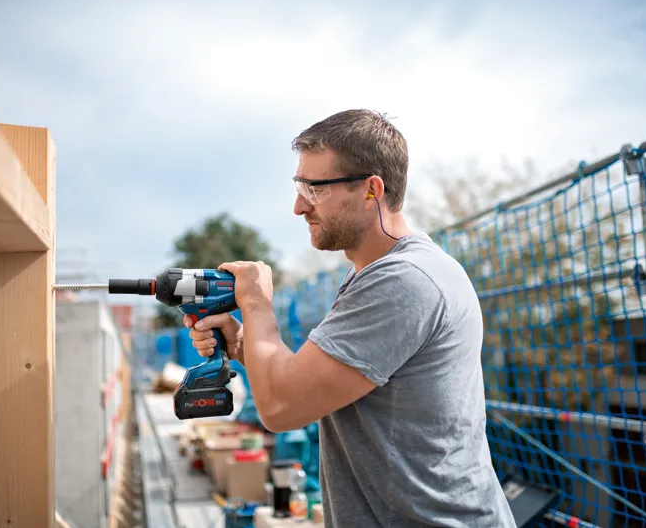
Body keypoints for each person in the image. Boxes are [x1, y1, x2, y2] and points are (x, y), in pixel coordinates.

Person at [183, 109, 517, 528]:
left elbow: (282, 409)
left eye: (315, 188)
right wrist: (242, 344)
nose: (298, 206)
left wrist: (256, 303)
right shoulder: (374, 274)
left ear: (371, 190)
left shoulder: (404, 282)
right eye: (299, 186)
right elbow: (304, 386)